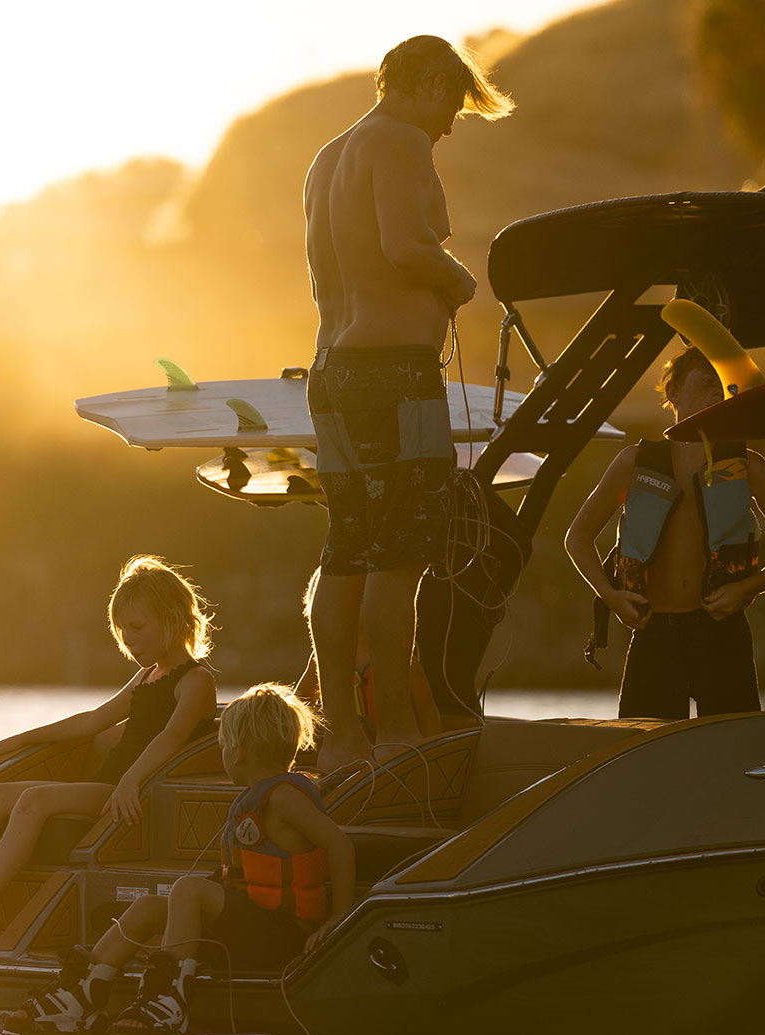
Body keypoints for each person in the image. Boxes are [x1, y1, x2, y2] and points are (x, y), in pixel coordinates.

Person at [303, 35, 513, 774]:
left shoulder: (328, 157)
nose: (451, 125)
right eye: (452, 105)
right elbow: (401, 246)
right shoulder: (397, 141)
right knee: (401, 559)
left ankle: (338, 736)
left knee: (348, 550)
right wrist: (459, 281)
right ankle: (394, 731)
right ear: (425, 84)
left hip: (334, 374)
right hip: (393, 375)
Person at [0, 555, 217, 955]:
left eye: (137, 628)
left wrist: (130, 781)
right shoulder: (146, 676)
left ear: (174, 619)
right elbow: (92, 721)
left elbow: (171, 738)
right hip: (112, 784)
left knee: (35, 800)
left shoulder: (196, 681)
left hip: (135, 795)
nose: (129, 640)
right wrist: (23, 738)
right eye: (122, 631)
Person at [13, 683, 356, 1035]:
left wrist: (338, 918)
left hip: (281, 932)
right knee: (147, 907)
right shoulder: (262, 797)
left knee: (189, 889)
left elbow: (340, 845)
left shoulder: (284, 797)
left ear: (236, 753)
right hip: (252, 921)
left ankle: (167, 1002)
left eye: (223, 748)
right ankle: (80, 993)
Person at [565, 346, 765, 719]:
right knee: (643, 754)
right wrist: (612, 596)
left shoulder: (748, 466)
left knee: (735, 753)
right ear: (674, 394)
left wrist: (745, 588)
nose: (717, 391)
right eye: (705, 382)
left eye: (721, 385)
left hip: (721, 633)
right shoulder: (634, 462)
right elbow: (577, 537)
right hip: (655, 635)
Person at [295, 567, 442, 747]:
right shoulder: (323, 657)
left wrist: (430, 751)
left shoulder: (398, 654)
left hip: (394, 748)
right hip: (348, 748)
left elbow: (426, 710)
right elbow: (299, 705)